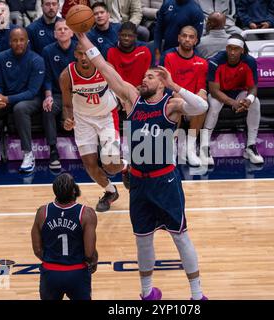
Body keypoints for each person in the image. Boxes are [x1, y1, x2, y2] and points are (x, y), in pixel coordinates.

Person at [76, 31, 209, 300]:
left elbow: (201, 106)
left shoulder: (171, 105)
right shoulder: (131, 99)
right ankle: (147, 292)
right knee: (142, 238)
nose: (143, 79)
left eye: (150, 76)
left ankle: (197, 295)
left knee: (180, 236)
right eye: (144, 76)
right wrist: (82, 36)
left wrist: (175, 85)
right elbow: (104, 66)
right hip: (138, 181)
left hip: (165, 180)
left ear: (162, 83)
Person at [60, 42, 129, 212]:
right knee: (90, 165)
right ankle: (110, 192)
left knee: (110, 165)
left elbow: (121, 89)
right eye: (80, 54)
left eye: (87, 54)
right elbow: (67, 106)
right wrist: (68, 119)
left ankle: (127, 166)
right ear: (75, 54)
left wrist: (125, 103)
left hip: (107, 117)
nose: (84, 58)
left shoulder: (105, 68)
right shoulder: (66, 75)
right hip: (83, 119)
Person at [0, 27, 45, 173]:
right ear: (9, 42)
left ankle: (28, 154)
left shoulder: (37, 60)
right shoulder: (1, 57)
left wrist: (6, 99)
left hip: (31, 100)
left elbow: (32, 92)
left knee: (20, 108)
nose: (18, 43)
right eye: (14, 40)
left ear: (27, 42)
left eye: (21, 40)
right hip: (7, 98)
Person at [31, 173, 98, 300]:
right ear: (74, 190)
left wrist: (54, 261)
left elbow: (37, 249)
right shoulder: (86, 213)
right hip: (77, 272)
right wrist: (94, 261)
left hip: (50, 273)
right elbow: (89, 253)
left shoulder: (42, 212)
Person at [202, 34, 264, 166]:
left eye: (236, 49)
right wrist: (234, 103)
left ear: (242, 50)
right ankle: (204, 146)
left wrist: (248, 100)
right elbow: (214, 91)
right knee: (214, 105)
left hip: (238, 92)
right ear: (226, 48)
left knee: (255, 103)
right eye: (229, 48)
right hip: (219, 93)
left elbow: (253, 88)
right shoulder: (215, 61)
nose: (232, 52)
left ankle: (250, 147)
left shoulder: (250, 61)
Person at [161, 25, 208, 167]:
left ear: (196, 41)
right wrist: (181, 98)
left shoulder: (202, 62)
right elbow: (166, 84)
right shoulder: (168, 57)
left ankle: (190, 149)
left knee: (202, 105)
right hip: (173, 97)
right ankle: (172, 149)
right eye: (184, 36)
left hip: (190, 100)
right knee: (177, 102)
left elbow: (201, 87)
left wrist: (202, 92)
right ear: (179, 38)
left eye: (191, 37)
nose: (187, 39)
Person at [42, 19, 77, 170]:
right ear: (54, 34)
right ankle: (53, 151)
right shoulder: (47, 51)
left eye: (65, 28)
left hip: (77, 94)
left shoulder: (79, 48)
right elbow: (47, 77)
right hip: (57, 94)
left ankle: (95, 150)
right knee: (48, 108)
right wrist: (48, 96)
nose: (62, 31)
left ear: (72, 32)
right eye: (59, 29)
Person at [106, 22, 151, 87]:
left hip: (141, 91)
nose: (126, 38)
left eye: (130, 36)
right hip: (119, 91)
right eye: (123, 35)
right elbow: (111, 77)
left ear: (135, 37)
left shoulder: (144, 51)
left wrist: (143, 87)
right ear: (118, 35)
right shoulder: (111, 52)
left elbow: (149, 74)